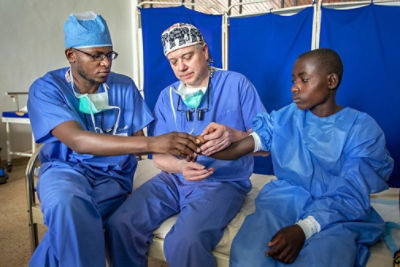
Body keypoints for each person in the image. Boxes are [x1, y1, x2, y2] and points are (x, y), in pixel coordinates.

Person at [27, 12, 200, 267]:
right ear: (71, 55)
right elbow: (78, 141)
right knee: (67, 204)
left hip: (113, 176)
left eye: (109, 54)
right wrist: (155, 144)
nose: (106, 63)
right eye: (96, 55)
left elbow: (140, 137)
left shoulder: (124, 86)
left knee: (73, 224)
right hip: (64, 170)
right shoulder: (47, 88)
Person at [208, 48, 394, 266]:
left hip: (338, 212)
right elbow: (240, 148)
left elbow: (351, 192)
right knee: (250, 254)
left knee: (323, 257)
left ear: (331, 81)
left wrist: (304, 229)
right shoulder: (284, 118)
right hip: (284, 200)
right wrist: (201, 147)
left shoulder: (361, 129)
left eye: (304, 80)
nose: (294, 88)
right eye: (293, 80)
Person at [106, 22, 266, 267]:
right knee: (120, 225)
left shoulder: (236, 85)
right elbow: (158, 157)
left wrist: (235, 135)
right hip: (173, 180)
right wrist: (181, 168)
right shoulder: (167, 97)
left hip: (221, 181)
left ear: (204, 50)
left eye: (187, 56)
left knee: (183, 242)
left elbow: (267, 145)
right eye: (173, 61)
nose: (181, 67)